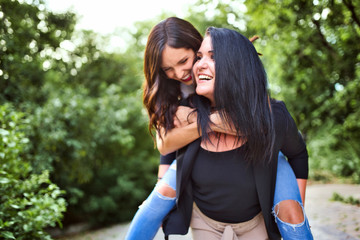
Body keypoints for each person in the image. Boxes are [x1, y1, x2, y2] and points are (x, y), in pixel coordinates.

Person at [125, 17, 313, 240]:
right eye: (168, 69)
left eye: (186, 60)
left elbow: (259, 123)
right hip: (193, 151)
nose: (180, 73)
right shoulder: (170, 92)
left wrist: (199, 119)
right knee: (159, 197)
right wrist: (163, 185)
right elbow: (166, 145)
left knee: (292, 211)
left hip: (264, 148)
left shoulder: (233, 73)